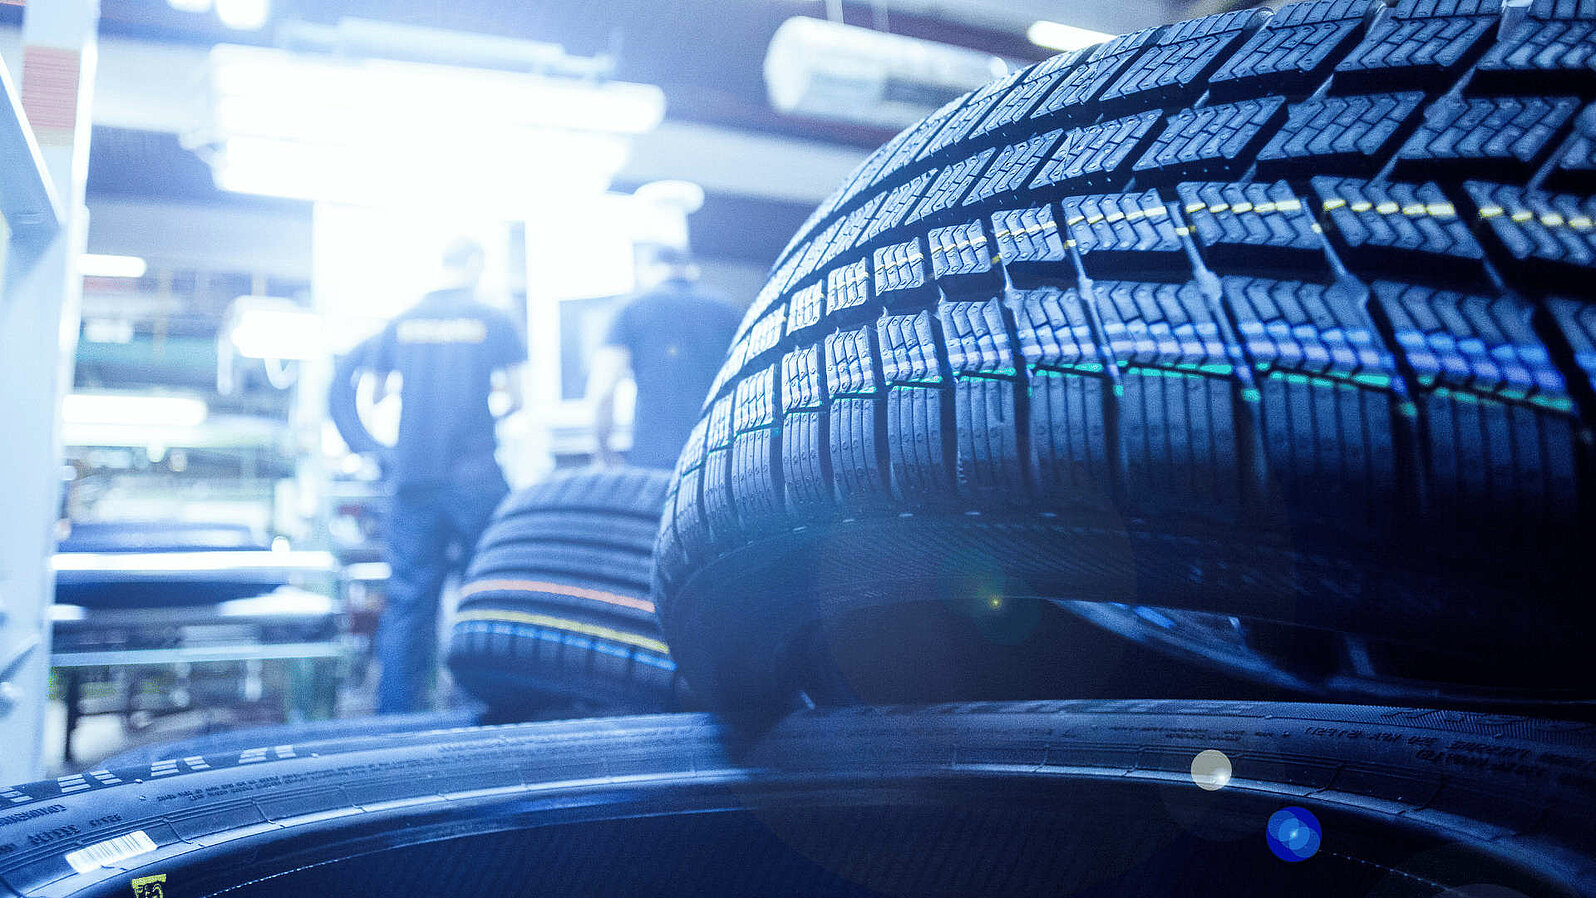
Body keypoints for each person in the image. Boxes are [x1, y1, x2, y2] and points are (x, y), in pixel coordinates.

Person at [355, 237, 527, 713]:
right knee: (482, 594)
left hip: (413, 477)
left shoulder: (402, 320)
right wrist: (481, 413)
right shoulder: (493, 318)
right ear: (475, 264)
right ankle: (478, 707)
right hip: (476, 479)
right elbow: (519, 398)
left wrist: (396, 446)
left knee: (409, 599)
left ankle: (396, 717)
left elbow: (369, 399)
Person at [587, 246, 740, 469]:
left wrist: (603, 450)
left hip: (655, 460)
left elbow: (603, 391)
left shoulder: (631, 309)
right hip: (719, 456)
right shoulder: (727, 310)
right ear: (690, 269)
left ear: (647, 270)